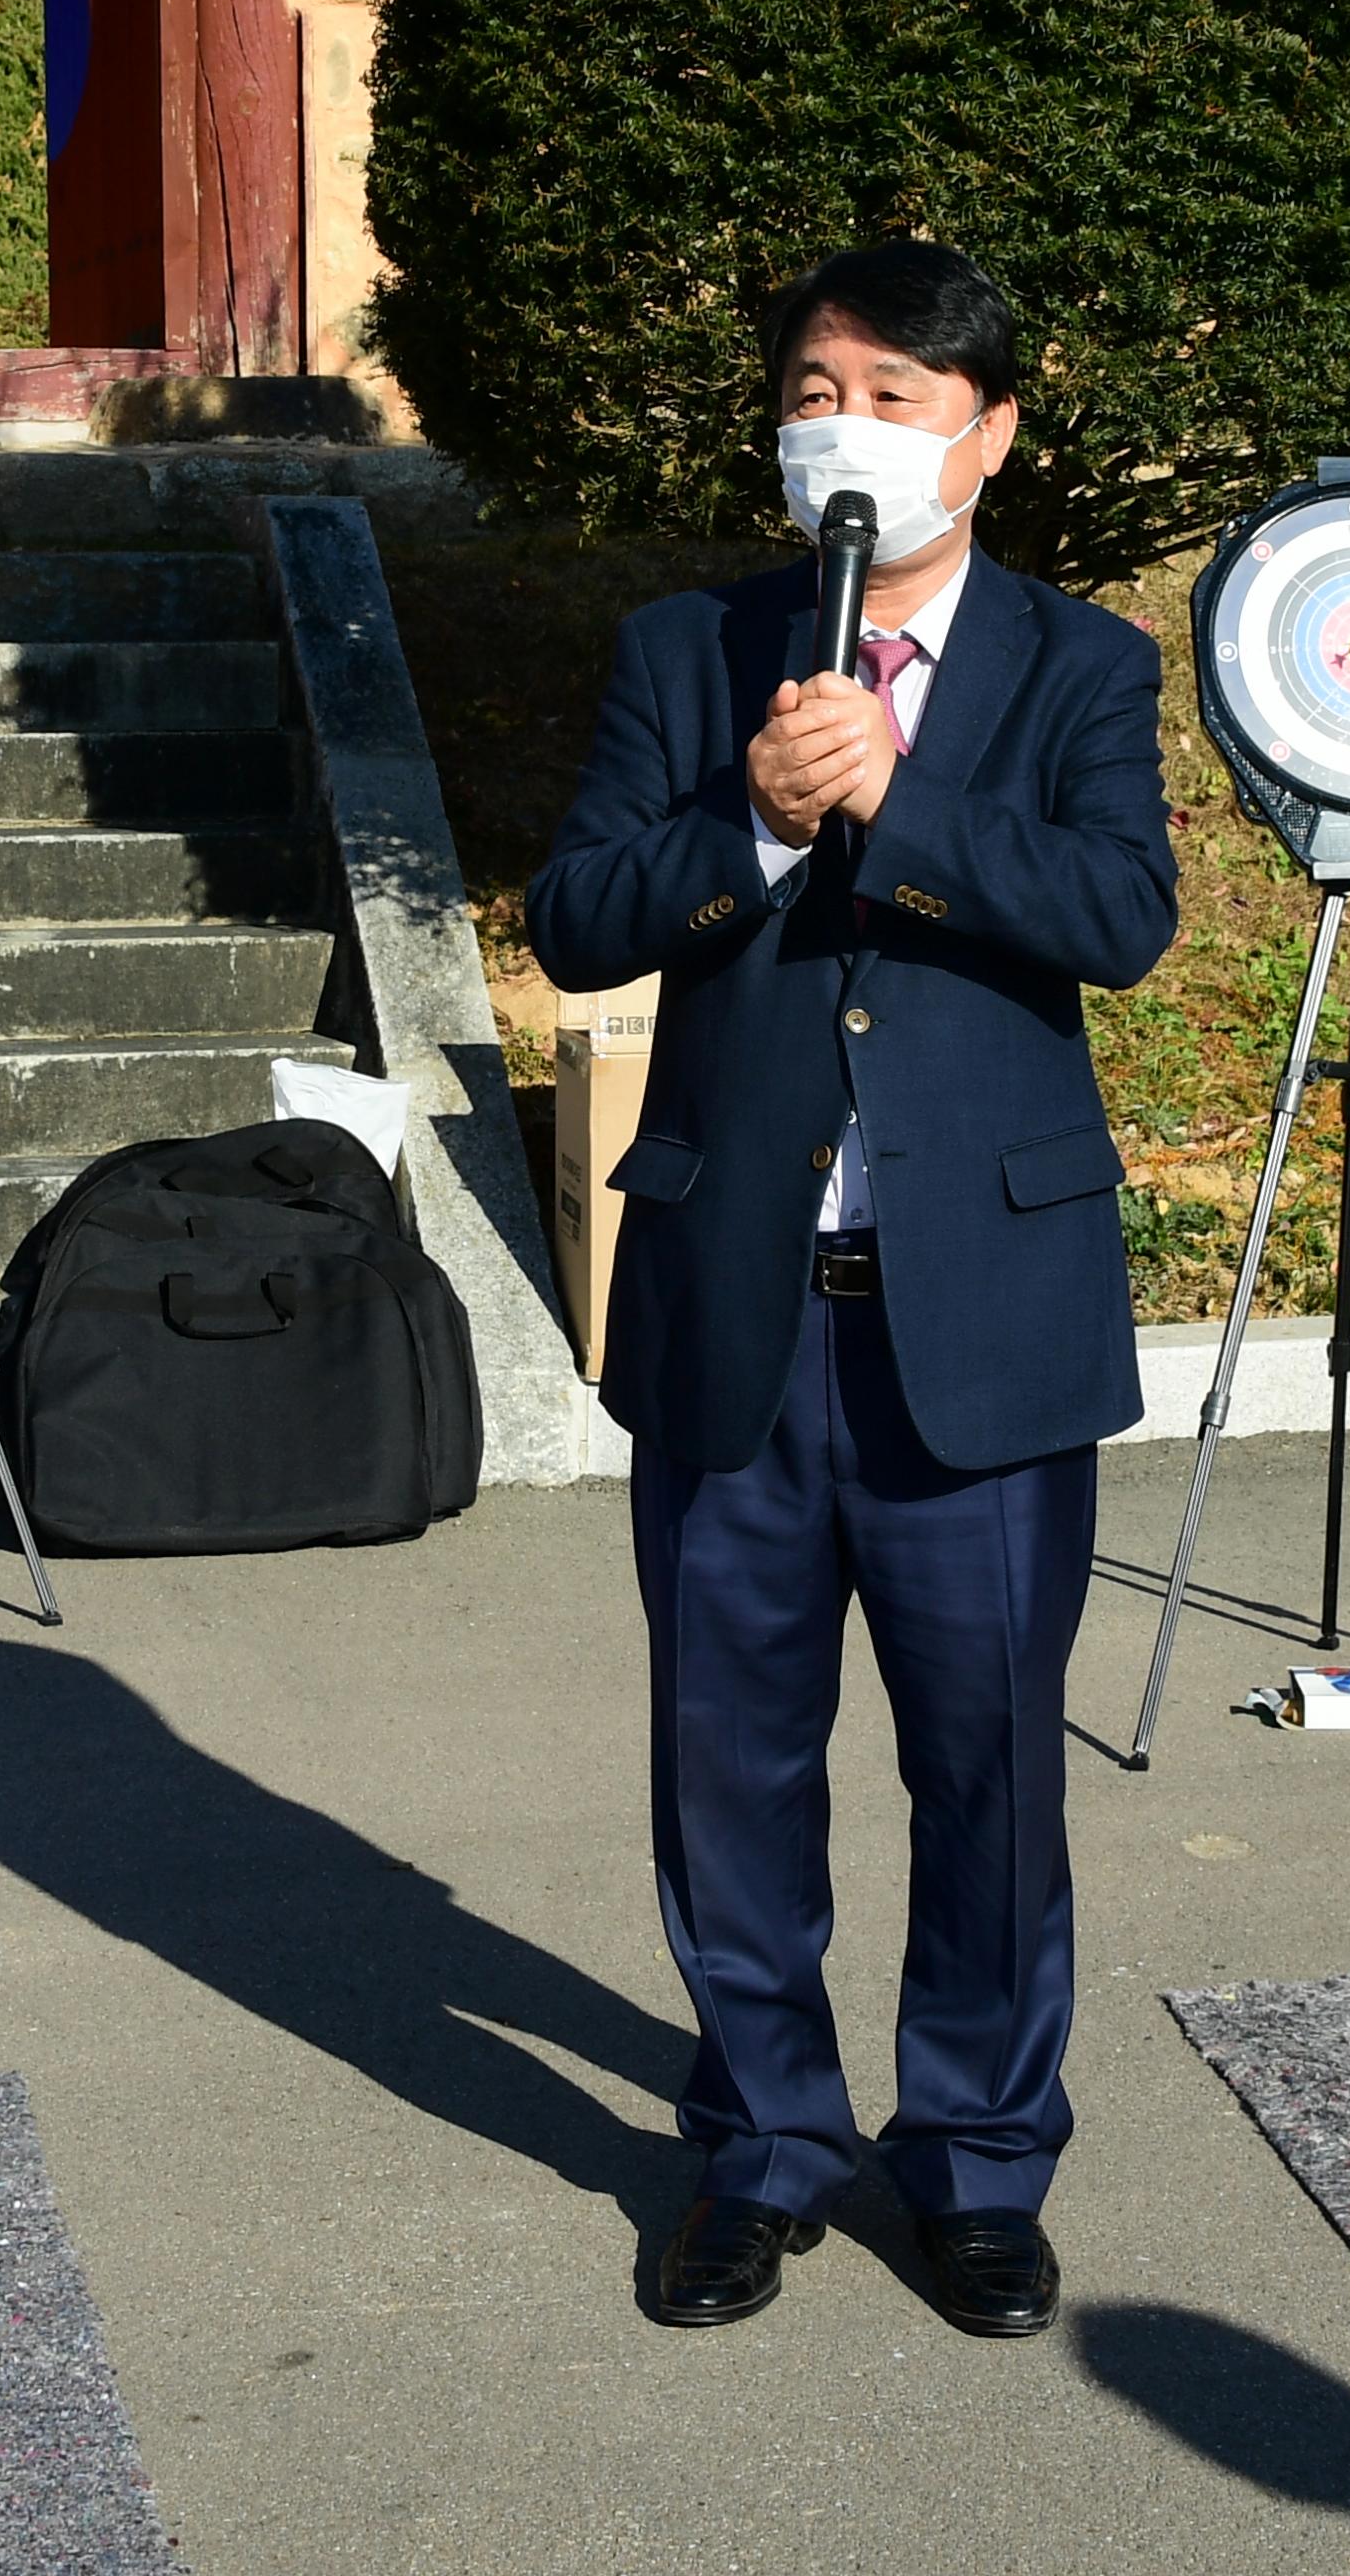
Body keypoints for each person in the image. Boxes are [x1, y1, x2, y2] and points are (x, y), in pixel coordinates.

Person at [523, 239, 1180, 2341]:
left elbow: (1118, 912)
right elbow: (574, 918)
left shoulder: (1080, 666)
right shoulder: (687, 646)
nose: (854, 422)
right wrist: (750, 815)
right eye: (822, 383)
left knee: (989, 1762)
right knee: (731, 1753)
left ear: (989, 431)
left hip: (976, 1311)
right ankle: (761, 2145)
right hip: (739, 1296)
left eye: (902, 390)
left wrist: (896, 805)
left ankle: (979, 2156)